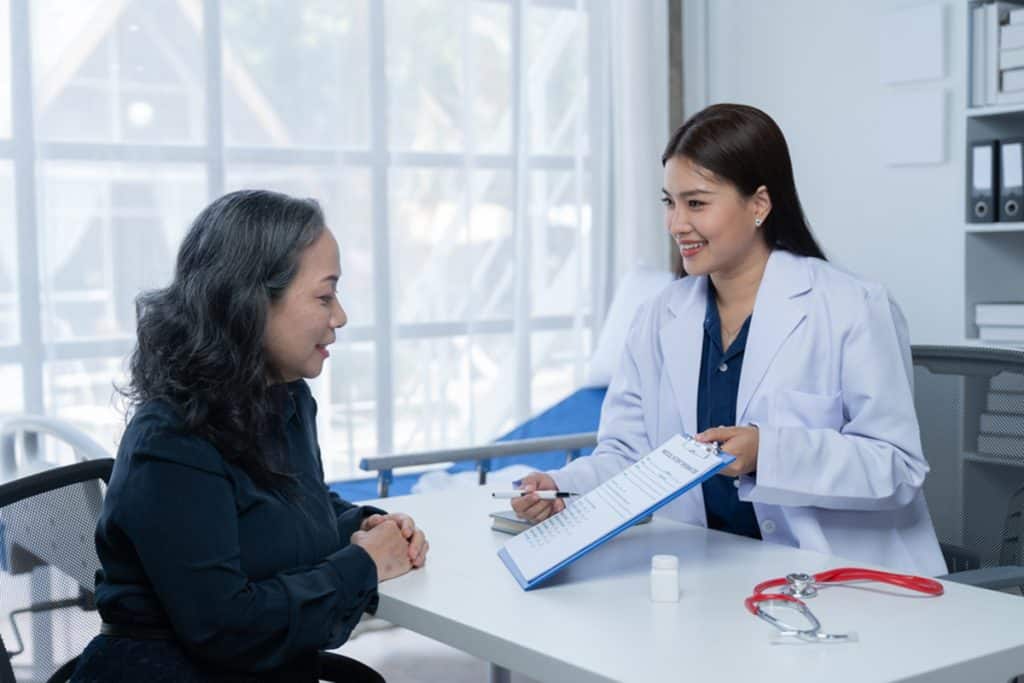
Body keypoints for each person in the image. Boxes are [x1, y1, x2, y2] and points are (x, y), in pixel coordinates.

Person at [512, 104, 945, 576]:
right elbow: (629, 457)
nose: (676, 224)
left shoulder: (851, 307)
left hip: (844, 578)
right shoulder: (658, 316)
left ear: (759, 204)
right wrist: (561, 487)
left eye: (696, 204)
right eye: (669, 202)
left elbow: (897, 467)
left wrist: (768, 453)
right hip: (712, 574)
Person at [72, 190, 428, 682]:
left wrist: (363, 525)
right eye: (324, 296)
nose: (340, 317)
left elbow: (284, 508)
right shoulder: (171, 440)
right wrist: (364, 563)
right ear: (250, 303)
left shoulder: (286, 399)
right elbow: (229, 628)